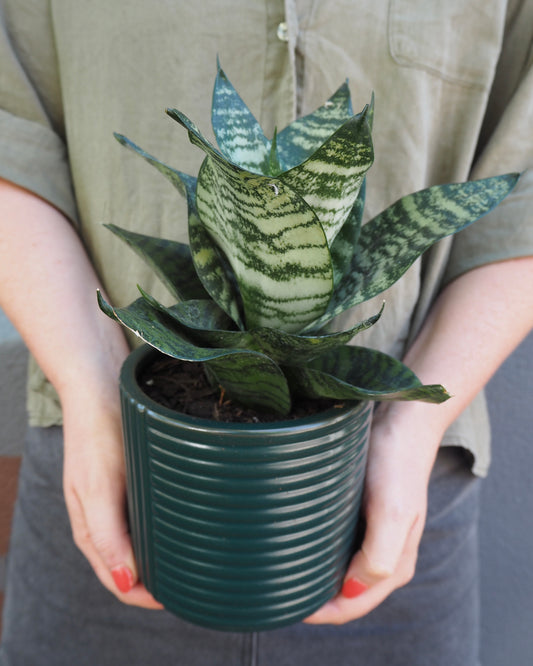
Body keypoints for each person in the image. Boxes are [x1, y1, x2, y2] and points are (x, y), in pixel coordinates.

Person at [0, 1, 532, 664]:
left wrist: (411, 429)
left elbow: (523, 195)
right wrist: (90, 388)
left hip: (397, 491)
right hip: (111, 464)